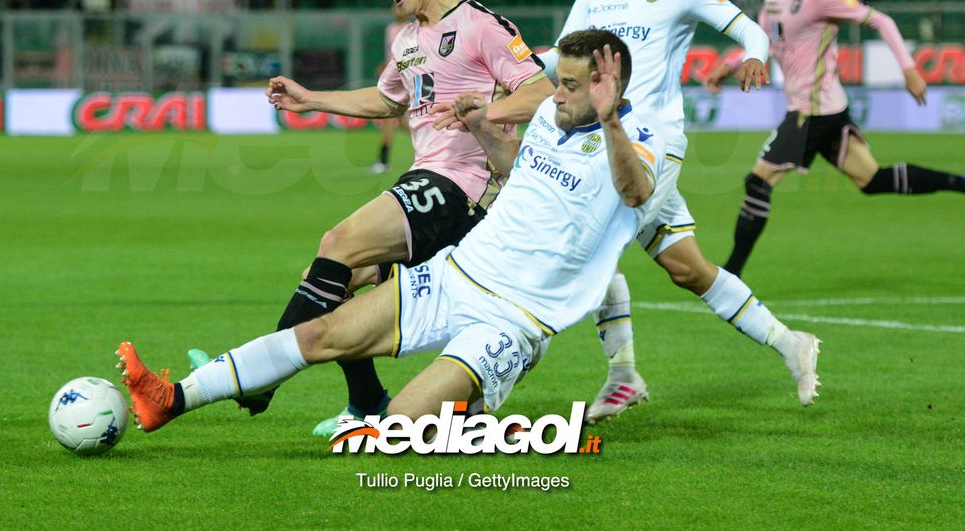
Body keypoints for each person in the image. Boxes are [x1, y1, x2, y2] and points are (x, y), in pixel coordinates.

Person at [118, 31, 668, 432]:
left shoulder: (642, 135)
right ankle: (170, 399)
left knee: (400, 427)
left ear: (604, 85)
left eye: (571, 86)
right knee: (320, 335)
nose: (556, 94)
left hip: (515, 317)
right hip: (458, 274)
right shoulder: (553, 115)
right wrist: (482, 126)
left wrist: (611, 120)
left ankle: (463, 415)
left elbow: (636, 192)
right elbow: (514, 169)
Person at [190, 0, 553, 436]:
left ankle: (258, 378)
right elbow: (386, 100)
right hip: (429, 181)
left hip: (468, 187)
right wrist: (311, 99)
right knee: (336, 282)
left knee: (340, 241)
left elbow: (539, 91)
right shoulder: (407, 40)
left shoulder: (481, 25)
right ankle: (366, 400)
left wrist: (485, 113)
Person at [537, 0, 821, 423]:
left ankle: (622, 375)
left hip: (654, 145)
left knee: (587, 244)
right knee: (687, 268)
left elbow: (749, 30)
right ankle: (793, 344)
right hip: (607, 147)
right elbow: (559, 58)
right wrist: (508, 65)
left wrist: (754, 57)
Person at [704, 0, 965, 278]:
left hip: (812, 111)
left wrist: (908, 68)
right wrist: (732, 62)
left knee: (758, 181)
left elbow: (882, 21)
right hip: (824, 110)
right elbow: (765, 42)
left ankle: (729, 276)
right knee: (872, 180)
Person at [370, 6, 414, 174]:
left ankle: (383, 161)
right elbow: (391, 53)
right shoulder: (391, 29)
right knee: (402, 122)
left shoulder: (410, 29)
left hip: (403, 77)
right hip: (392, 77)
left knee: (388, 117)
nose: (397, 10)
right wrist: (384, 65)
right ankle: (428, 145)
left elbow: (406, 56)